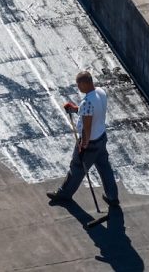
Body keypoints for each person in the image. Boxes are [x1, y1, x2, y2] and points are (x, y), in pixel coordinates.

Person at [47, 70, 120, 206]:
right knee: (105, 168)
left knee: (76, 167)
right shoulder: (100, 92)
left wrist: (83, 145)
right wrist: (75, 109)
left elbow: (87, 126)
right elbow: (92, 112)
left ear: (84, 84)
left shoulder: (87, 102)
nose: (77, 87)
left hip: (90, 143)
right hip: (101, 137)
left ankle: (64, 194)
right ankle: (112, 197)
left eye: (78, 84)